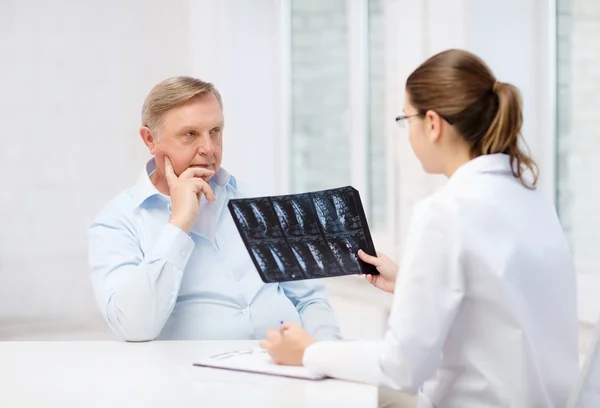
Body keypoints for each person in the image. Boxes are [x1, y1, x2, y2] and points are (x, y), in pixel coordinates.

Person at [259, 49, 579, 407]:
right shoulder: (532, 199)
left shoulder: (444, 212)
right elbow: (499, 303)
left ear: (432, 123)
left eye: (405, 119)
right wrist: (410, 283)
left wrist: (310, 351)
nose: (406, 132)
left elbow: (402, 368)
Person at [87, 76, 341, 342]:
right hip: (190, 379)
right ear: (150, 139)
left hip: (284, 370)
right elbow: (134, 327)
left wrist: (326, 356)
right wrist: (179, 224)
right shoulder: (116, 223)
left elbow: (310, 300)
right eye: (190, 134)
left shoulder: (258, 201)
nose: (208, 149)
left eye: (215, 131)